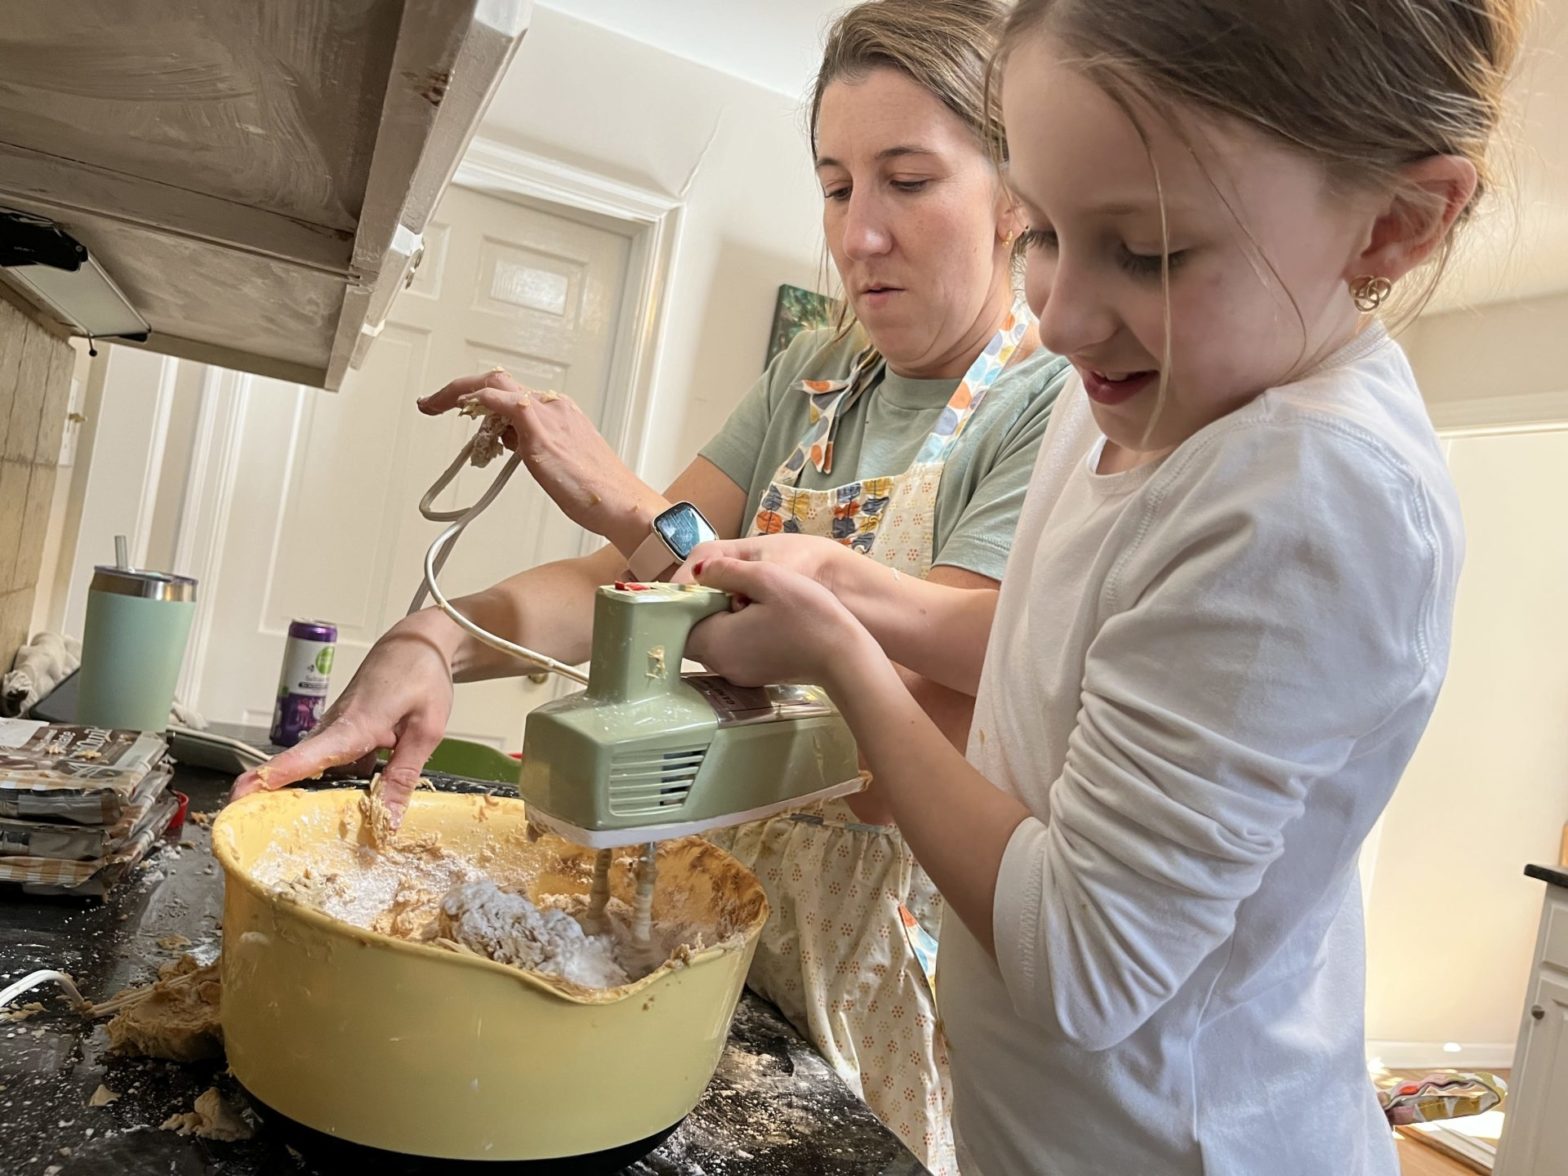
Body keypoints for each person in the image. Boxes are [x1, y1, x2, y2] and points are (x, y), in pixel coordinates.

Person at [674, 0, 1523, 1171]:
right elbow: (1049, 644)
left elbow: (1080, 962)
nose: (1057, 317)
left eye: (1150, 251)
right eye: (1044, 231)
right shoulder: (1141, 378)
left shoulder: (1306, 497)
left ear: (1394, 222)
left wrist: (841, 655)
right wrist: (857, 588)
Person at [233, 2, 1070, 1168]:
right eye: (835, 187)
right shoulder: (821, 372)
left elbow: (901, 745)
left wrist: (627, 502)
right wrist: (435, 638)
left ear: (1018, 193)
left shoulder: (1053, 407)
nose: (859, 237)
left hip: (877, 966)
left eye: (908, 181)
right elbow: (620, 585)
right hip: (719, 916)